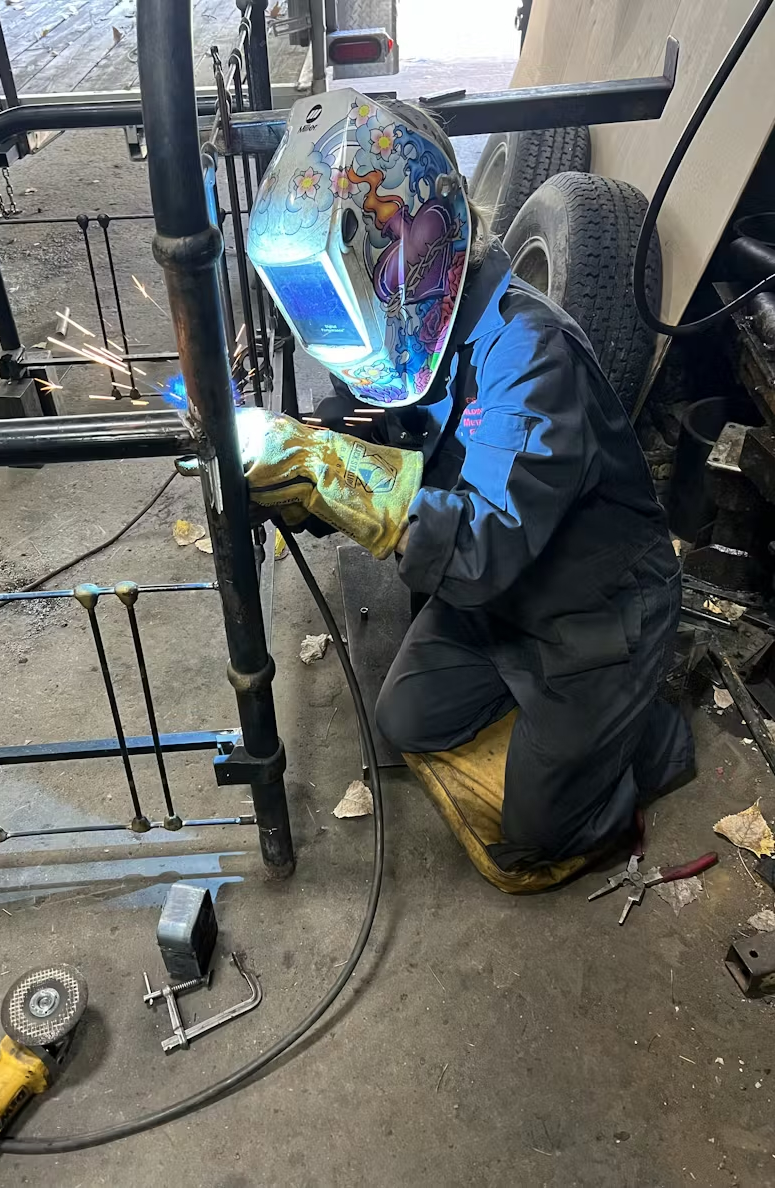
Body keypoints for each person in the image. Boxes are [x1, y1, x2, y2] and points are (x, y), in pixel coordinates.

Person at [233, 88, 694, 892]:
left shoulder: (530, 356)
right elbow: (401, 450)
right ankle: (571, 728)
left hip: (598, 608)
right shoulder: (426, 342)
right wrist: (313, 488)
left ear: (411, 241)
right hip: (504, 601)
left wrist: (336, 474)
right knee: (405, 718)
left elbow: (479, 546)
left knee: (535, 838)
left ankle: (646, 732)